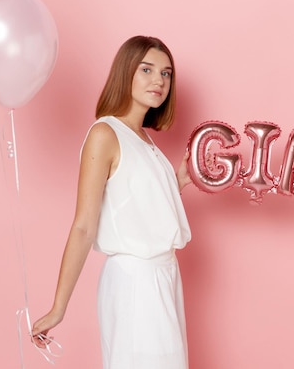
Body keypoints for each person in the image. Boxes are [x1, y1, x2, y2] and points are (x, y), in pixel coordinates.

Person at [31, 35, 192, 369]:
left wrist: (176, 182)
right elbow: (84, 225)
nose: (159, 81)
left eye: (166, 73)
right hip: (136, 281)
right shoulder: (105, 134)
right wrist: (59, 307)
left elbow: (137, 206)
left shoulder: (144, 139)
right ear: (126, 72)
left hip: (163, 276)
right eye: (146, 69)